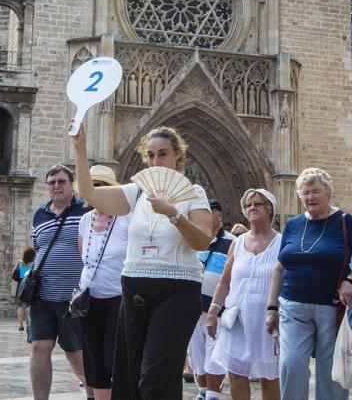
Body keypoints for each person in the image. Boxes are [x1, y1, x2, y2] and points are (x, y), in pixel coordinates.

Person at [73, 122, 213, 400]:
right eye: (150, 154)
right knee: (129, 376)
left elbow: (202, 241)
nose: (154, 160)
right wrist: (80, 147)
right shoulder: (136, 192)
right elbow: (88, 194)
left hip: (177, 289)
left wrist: (174, 214)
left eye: (162, 154)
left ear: (177, 156)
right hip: (135, 287)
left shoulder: (194, 193)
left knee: (155, 376)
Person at [267, 167, 352, 400]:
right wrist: (271, 307)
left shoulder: (345, 222)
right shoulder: (294, 224)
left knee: (331, 370)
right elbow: (279, 268)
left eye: (316, 191)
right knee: (291, 364)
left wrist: (351, 280)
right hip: (292, 305)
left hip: (332, 307)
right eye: (305, 192)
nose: (310, 197)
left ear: (329, 193)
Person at [208, 189, 282, 400]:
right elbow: (224, 281)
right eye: (249, 205)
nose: (252, 208)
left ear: (270, 210)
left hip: (268, 320)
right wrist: (213, 310)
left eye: (258, 204)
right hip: (237, 318)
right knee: (236, 373)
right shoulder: (238, 243)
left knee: (270, 377)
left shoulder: (282, 242)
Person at [28, 162, 91, 400]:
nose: (57, 186)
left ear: (71, 184)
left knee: (75, 352)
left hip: (73, 297)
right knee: (39, 346)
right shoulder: (39, 215)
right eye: (52, 182)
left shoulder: (84, 211)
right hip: (42, 295)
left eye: (62, 181)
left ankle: (93, 392)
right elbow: (37, 249)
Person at [76, 164, 130, 400]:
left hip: (118, 298)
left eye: (101, 187)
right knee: (93, 358)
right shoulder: (85, 220)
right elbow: (84, 257)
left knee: (113, 357)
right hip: (88, 299)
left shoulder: (125, 220)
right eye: (93, 186)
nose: (96, 191)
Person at [190, 199, 234, 400]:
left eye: (211, 211)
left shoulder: (232, 242)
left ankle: (213, 395)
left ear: (219, 215)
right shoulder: (192, 239)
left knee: (214, 353)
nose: (207, 216)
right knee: (196, 354)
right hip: (191, 307)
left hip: (217, 309)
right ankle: (202, 393)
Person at [9, 246, 35, 332]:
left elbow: (14, 275)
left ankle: (20, 325)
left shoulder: (20, 263)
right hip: (31, 286)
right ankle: (30, 323)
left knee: (21, 306)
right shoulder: (34, 264)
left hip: (21, 286)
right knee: (32, 305)